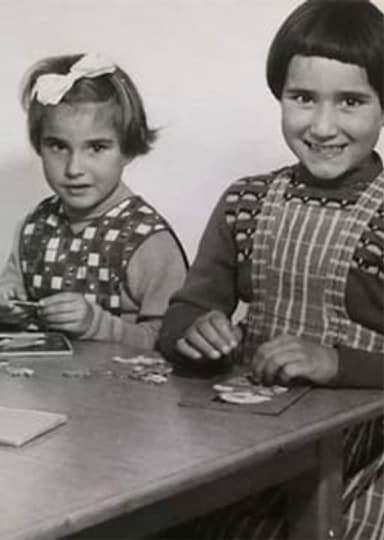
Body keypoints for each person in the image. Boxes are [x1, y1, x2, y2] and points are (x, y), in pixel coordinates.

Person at [158, 1, 384, 537]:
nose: (323, 126)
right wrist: (195, 332)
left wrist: (336, 364)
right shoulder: (246, 201)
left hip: (366, 456)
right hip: (256, 442)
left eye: (351, 101)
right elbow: (182, 313)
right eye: (302, 98)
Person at [0, 53, 187, 349]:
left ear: (127, 150)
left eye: (97, 148)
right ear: (39, 146)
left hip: (122, 392)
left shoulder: (149, 241)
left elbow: (171, 342)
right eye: (58, 146)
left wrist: (97, 325)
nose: (74, 169)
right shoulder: (34, 227)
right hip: (40, 389)